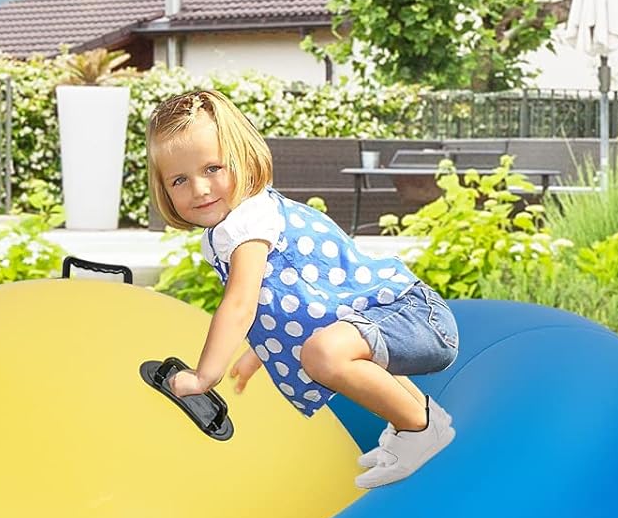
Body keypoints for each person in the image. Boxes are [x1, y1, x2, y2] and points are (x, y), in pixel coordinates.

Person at [147, 90, 458, 487]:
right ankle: (423, 421)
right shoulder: (233, 226)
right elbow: (286, 299)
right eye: (180, 180)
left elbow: (240, 304)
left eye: (213, 168)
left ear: (243, 159)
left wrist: (204, 376)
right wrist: (258, 352)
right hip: (393, 318)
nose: (200, 189)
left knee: (324, 355)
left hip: (411, 317)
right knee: (330, 349)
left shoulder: (249, 223)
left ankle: (418, 430)